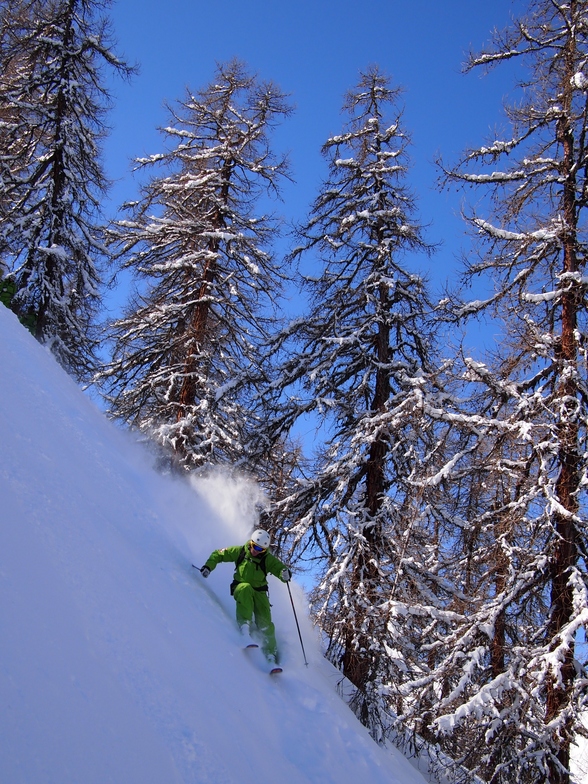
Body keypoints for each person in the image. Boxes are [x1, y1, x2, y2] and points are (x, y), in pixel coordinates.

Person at [200, 529, 291, 664]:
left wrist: (285, 573)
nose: (256, 551)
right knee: (246, 589)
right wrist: (208, 566)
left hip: (260, 592)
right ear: (251, 543)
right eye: (255, 547)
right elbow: (218, 554)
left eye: (261, 549)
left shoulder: (267, 559)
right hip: (241, 587)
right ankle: (245, 630)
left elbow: (279, 568)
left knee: (265, 620)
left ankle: (270, 655)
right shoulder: (241, 551)